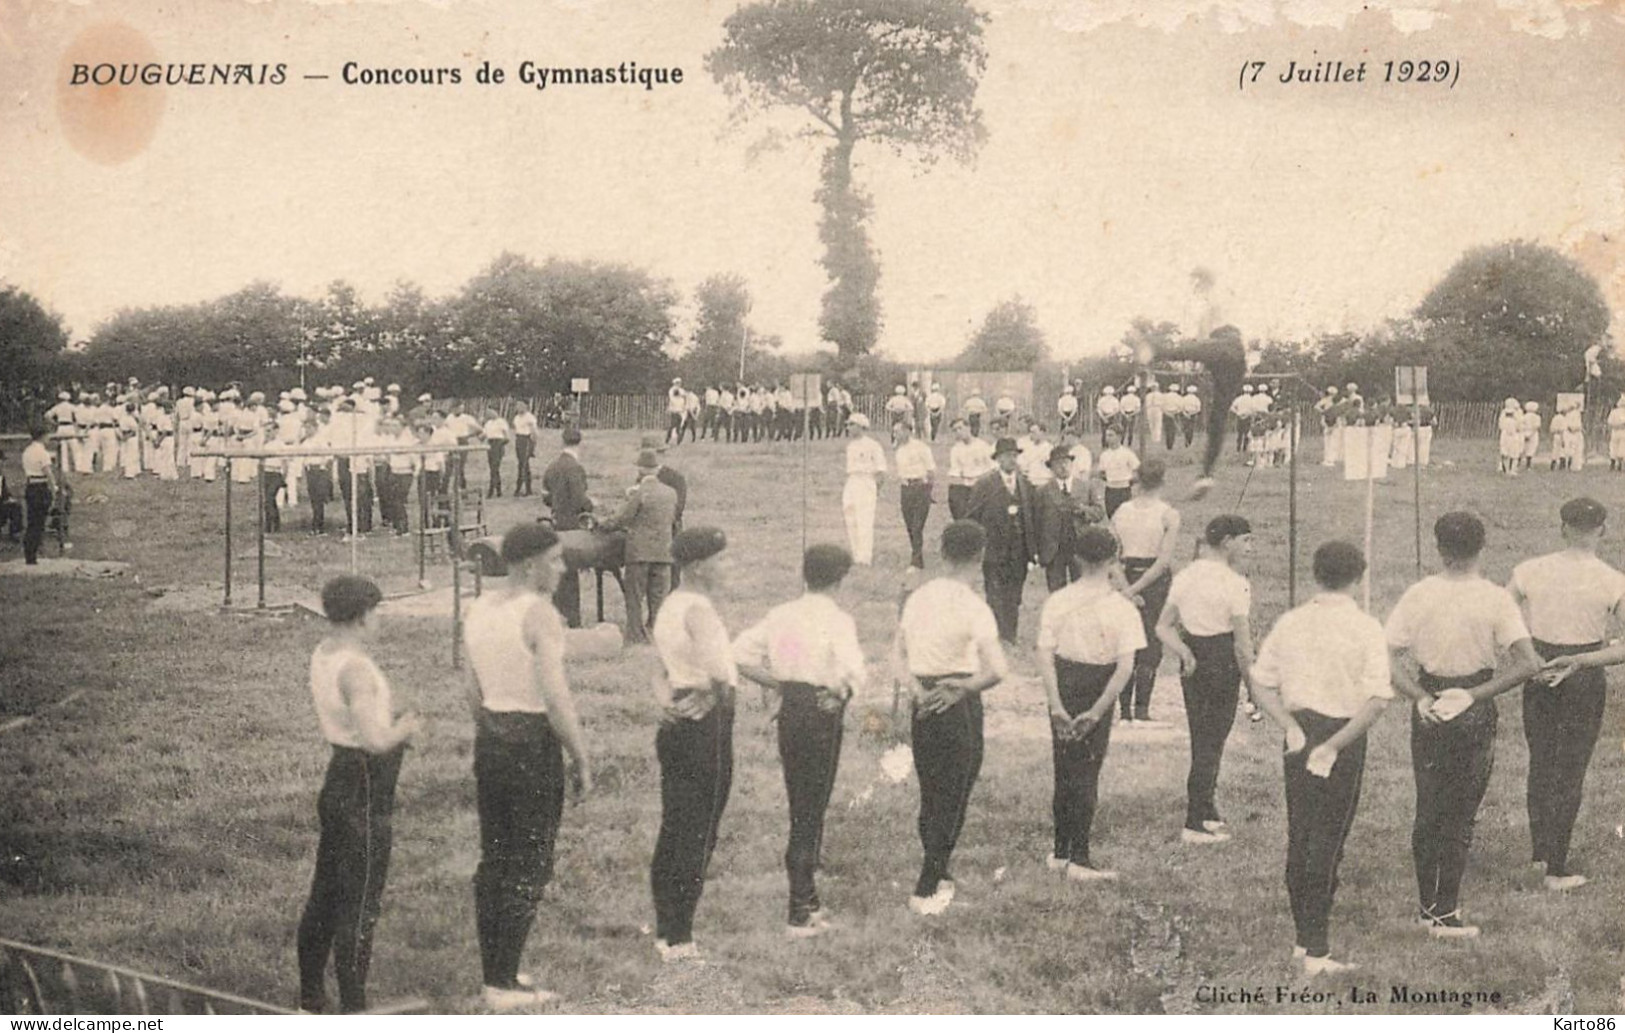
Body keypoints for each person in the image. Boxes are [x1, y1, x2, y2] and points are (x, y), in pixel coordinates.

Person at [1384, 512, 1540, 938]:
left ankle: (1426, 906)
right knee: (1460, 812)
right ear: (1482, 547)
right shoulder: (1494, 598)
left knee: (1429, 804)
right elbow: (1529, 662)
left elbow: (1385, 655)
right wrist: (1475, 695)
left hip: (1431, 700)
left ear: (1439, 547)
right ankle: (1445, 911)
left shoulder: (1419, 594)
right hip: (1473, 703)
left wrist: (1419, 696)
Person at [1249, 541, 1392, 975]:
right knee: (1327, 838)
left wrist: (1290, 727)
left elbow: (1260, 683)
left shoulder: (1291, 622)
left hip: (1299, 733)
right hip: (1341, 737)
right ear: (1358, 578)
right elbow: (1377, 700)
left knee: (1303, 831)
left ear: (1315, 573)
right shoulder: (1365, 627)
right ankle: (1316, 950)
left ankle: (1304, 938)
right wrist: (1334, 746)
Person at [463, 525, 592, 1009]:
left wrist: (493, 730)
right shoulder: (539, 614)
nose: (561, 570)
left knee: (495, 857)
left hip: (491, 735)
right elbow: (556, 698)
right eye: (555, 561)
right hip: (533, 740)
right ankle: (502, 985)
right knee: (530, 860)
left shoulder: (479, 607)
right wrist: (580, 755)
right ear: (530, 564)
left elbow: (471, 691)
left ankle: (497, 970)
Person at [297, 576, 421, 1014]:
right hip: (366, 785)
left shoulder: (325, 653)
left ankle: (310, 996)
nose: (381, 619)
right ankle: (355, 1008)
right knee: (360, 903)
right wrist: (405, 727)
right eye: (379, 611)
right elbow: (373, 738)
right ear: (363, 615)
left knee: (325, 893)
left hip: (339, 778)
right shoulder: (356, 669)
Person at [734, 544, 865, 937]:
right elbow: (854, 670)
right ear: (840, 579)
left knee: (802, 802)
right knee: (811, 808)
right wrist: (840, 691)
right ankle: (799, 909)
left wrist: (780, 685)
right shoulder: (838, 619)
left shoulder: (780, 614)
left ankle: (808, 899)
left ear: (803, 574)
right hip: (822, 711)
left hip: (793, 708)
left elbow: (738, 654)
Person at [1505, 498, 1624, 891]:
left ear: (1562, 528)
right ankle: (1554, 865)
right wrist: (1582, 660)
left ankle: (1542, 855)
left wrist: (1531, 658)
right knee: (1570, 769)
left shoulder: (1530, 569)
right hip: (1583, 674)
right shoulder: (1612, 579)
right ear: (1602, 531)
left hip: (1539, 667)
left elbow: (1501, 619)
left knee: (1542, 761)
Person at [893, 521, 1009, 914]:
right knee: (955, 791)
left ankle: (939, 872)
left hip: (924, 698)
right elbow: (997, 670)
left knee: (932, 789)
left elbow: (897, 655)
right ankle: (927, 885)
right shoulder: (974, 605)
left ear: (942, 552)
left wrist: (916, 690)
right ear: (979, 556)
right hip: (957, 699)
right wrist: (961, 689)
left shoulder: (919, 597)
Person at [648, 528, 737, 961]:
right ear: (699, 565)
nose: (727, 568)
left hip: (679, 713)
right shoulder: (698, 608)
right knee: (699, 829)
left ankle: (668, 928)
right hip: (706, 720)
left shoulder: (671, 605)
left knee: (676, 823)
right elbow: (720, 669)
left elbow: (660, 668)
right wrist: (714, 692)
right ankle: (680, 936)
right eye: (722, 560)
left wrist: (665, 696)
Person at [1036, 526, 1143, 882]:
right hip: (1100, 685)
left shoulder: (1058, 600)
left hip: (1063, 683)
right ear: (1114, 561)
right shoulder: (1122, 608)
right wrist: (1098, 712)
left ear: (1077, 559)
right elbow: (1125, 667)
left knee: (1063, 767)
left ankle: (1060, 849)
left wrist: (1054, 704)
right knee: (1086, 774)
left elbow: (1045, 654)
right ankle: (1078, 857)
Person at [1157, 515, 1255, 844]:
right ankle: (1194, 822)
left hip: (1194, 661)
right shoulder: (1235, 583)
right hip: (1221, 660)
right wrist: (1253, 689)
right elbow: (1243, 647)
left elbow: (1163, 626)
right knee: (1211, 741)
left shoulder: (1186, 575)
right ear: (1227, 542)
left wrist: (1184, 652)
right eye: (1245, 541)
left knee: (1204, 737)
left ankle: (1206, 808)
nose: (1248, 548)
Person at [1113, 458, 1180, 723]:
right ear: (1162, 482)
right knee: (1151, 644)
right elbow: (1163, 561)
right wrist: (1138, 589)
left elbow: (1112, 557)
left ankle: (1126, 712)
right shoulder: (1168, 514)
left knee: (1127, 642)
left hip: (1126, 577)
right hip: (1154, 581)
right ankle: (1140, 710)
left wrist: (1127, 589)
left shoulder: (1121, 511)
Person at [599, 450, 679, 645]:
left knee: (635, 596)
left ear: (641, 470)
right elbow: (673, 520)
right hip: (664, 552)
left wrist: (602, 524)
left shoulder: (640, 493)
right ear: (658, 469)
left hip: (639, 552)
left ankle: (635, 634)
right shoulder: (671, 493)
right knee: (658, 596)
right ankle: (658, 632)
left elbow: (622, 519)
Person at [966, 437, 1037, 644]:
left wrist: (1032, 549)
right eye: (1007, 456)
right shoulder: (985, 484)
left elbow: (1031, 516)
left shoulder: (1025, 484)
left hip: (1019, 551)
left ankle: (1010, 635)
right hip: (994, 550)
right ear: (998, 459)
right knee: (994, 594)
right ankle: (994, 636)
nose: (1011, 460)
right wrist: (978, 546)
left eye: (1014, 456)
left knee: (1014, 595)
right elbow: (972, 516)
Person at [541, 428, 593, 627]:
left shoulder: (552, 466)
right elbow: (581, 498)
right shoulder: (576, 468)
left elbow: (545, 494)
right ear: (580, 444)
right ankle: (573, 619)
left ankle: (557, 614)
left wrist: (556, 505)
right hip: (573, 525)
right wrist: (591, 506)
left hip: (556, 522)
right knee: (571, 571)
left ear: (562, 442)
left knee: (558, 569)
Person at [1033, 446, 1093, 591]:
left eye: (1066, 462)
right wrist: (1038, 549)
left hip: (1079, 547)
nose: (1063, 466)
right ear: (1051, 468)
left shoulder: (1084, 487)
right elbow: (1036, 522)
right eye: (1058, 463)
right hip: (1054, 549)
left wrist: (1083, 510)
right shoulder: (1043, 491)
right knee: (1056, 592)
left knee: (1081, 590)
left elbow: (1099, 512)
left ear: (1071, 464)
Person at [841, 414, 887, 565]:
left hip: (866, 481)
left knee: (864, 520)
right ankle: (856, 555)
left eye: (852, 425)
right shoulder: (850, 446)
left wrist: (875, 489)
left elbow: (881, 470)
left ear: (861, 427)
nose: (848, 428)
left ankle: (865, 558)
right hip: (852, 481)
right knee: (850, 517)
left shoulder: (873, 445)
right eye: (848, 425)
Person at [894, 422, 936, 569]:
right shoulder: (899, 451)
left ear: (907, 431)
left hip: (921, 488)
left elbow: (931, 470)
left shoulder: (921, 447)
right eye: (894, 432)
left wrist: (928, 490)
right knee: (910, 525)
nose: (896, 435)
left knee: (917, 526)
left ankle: (916, 560)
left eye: (898, 431)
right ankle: (917, 554)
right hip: (906, 489)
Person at [19, 425, 57, 566]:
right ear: (43, 436)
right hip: (40, 486)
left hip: (30, 485)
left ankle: (30, 553)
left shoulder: (27, 451)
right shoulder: (42, 452)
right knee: (38, 522)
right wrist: (54, 489)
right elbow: (48, 472)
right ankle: (32, 554)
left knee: (32, 521)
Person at [945, 418, 994, 521]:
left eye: (960, 428)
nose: (958, 432)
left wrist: (979, 479)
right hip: (965, 487)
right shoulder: (956, 449)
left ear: (968, 428)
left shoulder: (982, 446)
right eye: (955, 430)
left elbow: (992, 469)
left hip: (982, 486)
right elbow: (955, 472)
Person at [1096, 427, 1140, 519]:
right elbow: (1101, 473)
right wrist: (1109, 478)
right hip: (1110, 490)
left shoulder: (1127, 453)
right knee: (1111, 517)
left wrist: (1130, 481)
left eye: (1111, 435)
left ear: (1119, 437)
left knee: (1125, 517)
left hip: (1124, 490)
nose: (1108, 438)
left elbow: (1138, 469)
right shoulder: (1104, 455)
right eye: (1107, 435)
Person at [512, 402, 538, 497]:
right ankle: (526, 488)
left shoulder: (529, 417)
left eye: (521, 406)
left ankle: (522, 488)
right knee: (522, 463)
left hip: (526, 439)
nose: (518, 408)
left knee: (524, 464)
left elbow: (534, 433)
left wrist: (532, 447)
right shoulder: (516, 418)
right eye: (517, 406)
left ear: (525, 407)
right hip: (519, 439)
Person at [665, 378, 687, 446]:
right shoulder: (672, 391)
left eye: (679, 383)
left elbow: (685, 397)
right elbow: (672, 399)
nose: (678, 384)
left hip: (680, 411)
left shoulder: (681, 391)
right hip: (675, 411)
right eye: (677, 383)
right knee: (673, 426)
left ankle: (678, 441)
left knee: (679, 426)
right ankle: (668, 439)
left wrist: (684, 406)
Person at [1608, 395, 1625, 472]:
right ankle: (1619, 464)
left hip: (1615, 431)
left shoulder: (1613, 412)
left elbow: (1609, 422)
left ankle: (1613, 463)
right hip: (1622, 431)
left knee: (1614, 447)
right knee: (1621, 447)